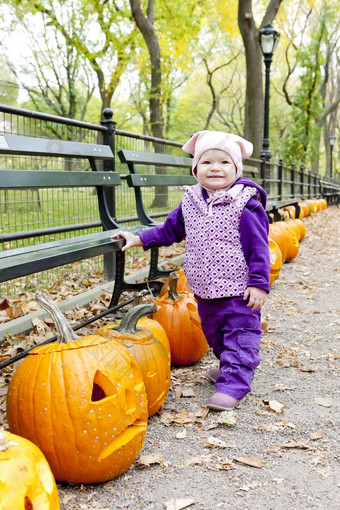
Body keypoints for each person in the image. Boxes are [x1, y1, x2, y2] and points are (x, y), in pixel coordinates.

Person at [111, 130, 270, 411]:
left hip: (238, 288)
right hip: (204, 288)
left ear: (236, 168)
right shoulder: (192, 202)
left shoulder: (246, 205)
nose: (215, 168)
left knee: (240, 333)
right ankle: (228, 366)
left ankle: (235, 382)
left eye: (224, 162)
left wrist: (258, 282)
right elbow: (169, 230)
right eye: (207, 162)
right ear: (196, 169)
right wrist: (140, 238)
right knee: (215, 333)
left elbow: (258, 247)